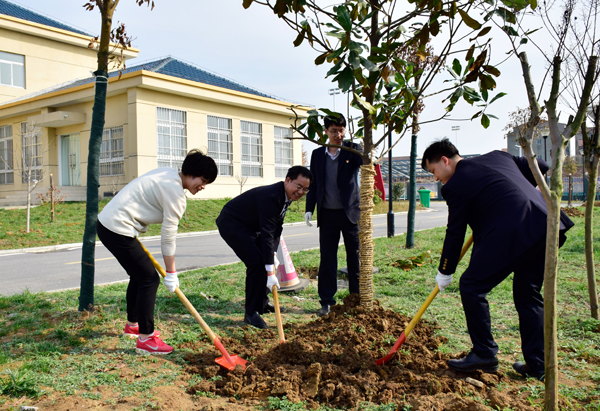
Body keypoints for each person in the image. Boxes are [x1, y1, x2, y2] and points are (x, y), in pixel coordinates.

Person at [421, 138, 573, 380]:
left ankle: (484, 354)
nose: (436, 178)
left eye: (433, 171)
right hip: (545, 225)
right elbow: (541, 165)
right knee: (528, 295)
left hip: (513, 233)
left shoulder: (455, 186)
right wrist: (518, 187)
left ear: (445, 160)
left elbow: (455, 232)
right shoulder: (498, 157)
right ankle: (538, 365)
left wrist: (445, 270)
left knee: (471, 286)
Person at [97, 149, 218, 355]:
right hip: (117, 228)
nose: (203, 186)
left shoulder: (167, 174)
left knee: (140, 275)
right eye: (202, 179)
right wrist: (171, 273)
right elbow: (168, 237)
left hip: (109, 223)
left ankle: (133, 326)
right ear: (189, 173)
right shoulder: (175, 194)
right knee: (149, 279)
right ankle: (146, 339)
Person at [217, 166, 312, 329]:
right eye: (298, 186)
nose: (301, 192)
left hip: (250, 227)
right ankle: (251, 313)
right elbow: (267, 232)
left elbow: (277, 229)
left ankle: (262, 303)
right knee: (256, 263)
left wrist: (273, 254)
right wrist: (269, 269)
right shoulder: (272, 196)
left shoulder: (285, 197)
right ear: (288, 180)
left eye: (305, 189)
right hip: (232, 223)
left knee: (265, 259)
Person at [305, 113, 363, 317]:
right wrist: (309, 208)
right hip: (327, 214)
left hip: (350, 214)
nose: (338, 135)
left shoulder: (352, 149)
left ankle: (355, 298)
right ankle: (327, 302)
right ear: (326, 132)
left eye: (341, 131)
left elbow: (365, 164)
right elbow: (314, 184)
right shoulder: (317, 154)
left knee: (354, 257)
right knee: (327, 259)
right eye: (334, 131)